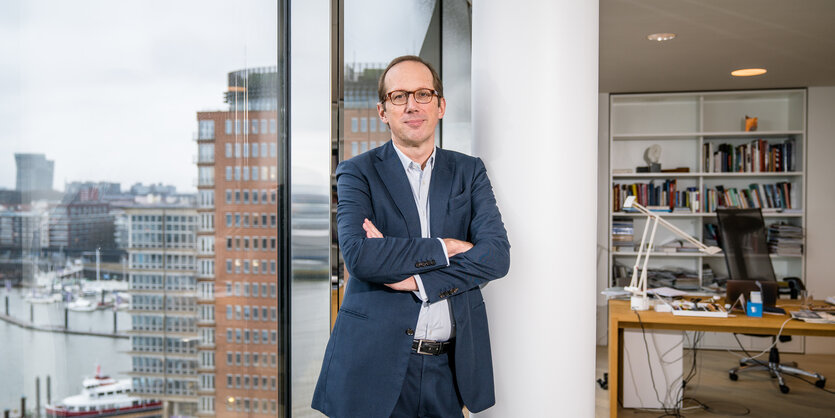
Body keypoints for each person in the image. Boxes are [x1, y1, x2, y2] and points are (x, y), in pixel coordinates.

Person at [312, 55, 510, 417]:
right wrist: (447, 247)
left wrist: (417, 279)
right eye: (398, 96)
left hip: (449, 368)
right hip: (372, 366)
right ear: (383, 111)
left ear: (441, 106)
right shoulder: (357, 173)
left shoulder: (469, 171)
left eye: (422, 93)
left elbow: (496, 257)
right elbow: (359, 257)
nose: (412, 105)